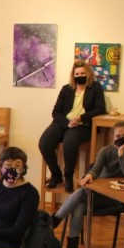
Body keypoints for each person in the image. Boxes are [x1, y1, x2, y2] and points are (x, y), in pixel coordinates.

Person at [51, 121, 124, 248]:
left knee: (80, 198)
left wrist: (121, 153)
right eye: (117, 136)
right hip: (98, 195)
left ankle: (55, 222)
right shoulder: (105, 151)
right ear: (113, 137)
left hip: (117, 198)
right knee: (80, 202)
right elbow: (95, 169)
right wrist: (89, 175)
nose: (120, 138)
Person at [38, 59, 107, 192]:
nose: (80, 76)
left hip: (83, 125)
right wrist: (67, 123)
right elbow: (56, 112)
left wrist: (81, 118)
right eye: (77, 74)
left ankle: (68, 176)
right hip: (64, 122)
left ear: (88, 74)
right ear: (73, 75)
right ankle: (56, 174)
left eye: (82, 73)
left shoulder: (95, 87)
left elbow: (100, 109)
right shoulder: (66, 89)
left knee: (70, 142)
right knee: (44, 143)